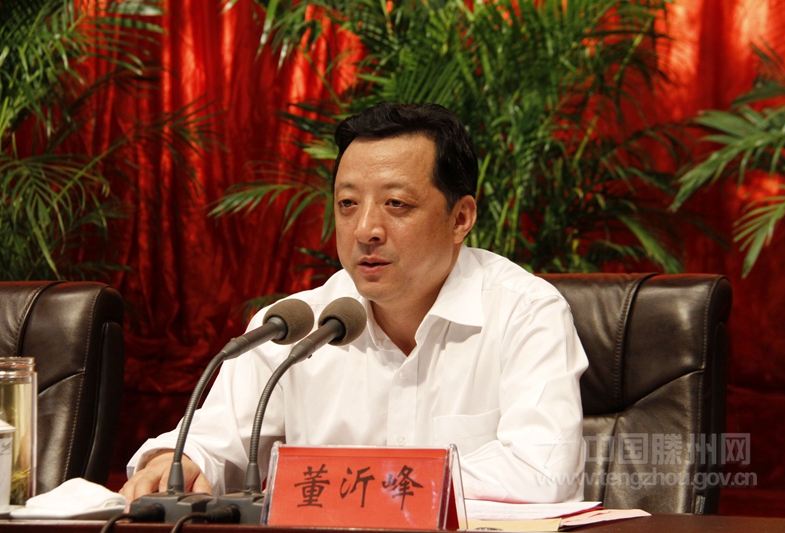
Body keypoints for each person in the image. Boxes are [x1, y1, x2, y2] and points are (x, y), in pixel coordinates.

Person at [122, 102, 589, 503]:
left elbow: (542, 472)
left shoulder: (524, 313)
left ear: (460, 218)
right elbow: (210, 443)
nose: (365, 229)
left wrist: (364, 488)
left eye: (396, 204)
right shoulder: (293, 328)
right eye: (348, 204)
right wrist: (175, 462)